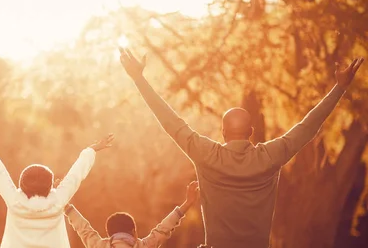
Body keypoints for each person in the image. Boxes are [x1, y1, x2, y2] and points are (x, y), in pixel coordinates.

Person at [118, 47, 364, 248]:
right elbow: (308, 127)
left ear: (223, 133)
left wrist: (139, 79)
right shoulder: (270, 156)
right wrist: (339, 88)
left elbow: (170, 122)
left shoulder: (206, 155)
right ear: (252, 133)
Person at [0, 121, 114, 248]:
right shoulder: (58, 200)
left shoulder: (14, 201)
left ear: (21, 184)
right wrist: (90, 150)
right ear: (50, 186)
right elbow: (75, 175)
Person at [65, 181, 200, 248]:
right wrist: (187, 203)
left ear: (109, 235)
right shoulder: (144, 246)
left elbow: (84, 229)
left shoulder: (100, 245)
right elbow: (163, 229)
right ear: (134, 232)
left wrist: (66, 206)